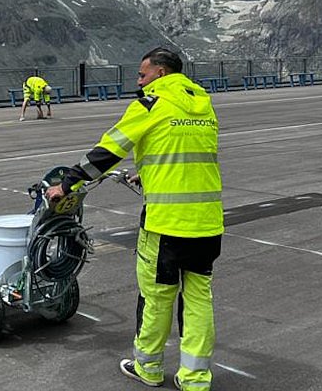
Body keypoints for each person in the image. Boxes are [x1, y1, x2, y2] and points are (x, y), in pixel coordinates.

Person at [44, 47, 223, 391]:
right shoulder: (203, 104)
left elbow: (108, 150)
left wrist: (66, 184)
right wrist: (148, 173)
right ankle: (195, 379)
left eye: (142, 75)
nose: (139, 82)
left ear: (160, 72)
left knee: (157, 297)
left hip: (167, 225)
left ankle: (148, 368)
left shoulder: (151, 104)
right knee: (199, 298)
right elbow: (184, 153)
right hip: (207, 222)